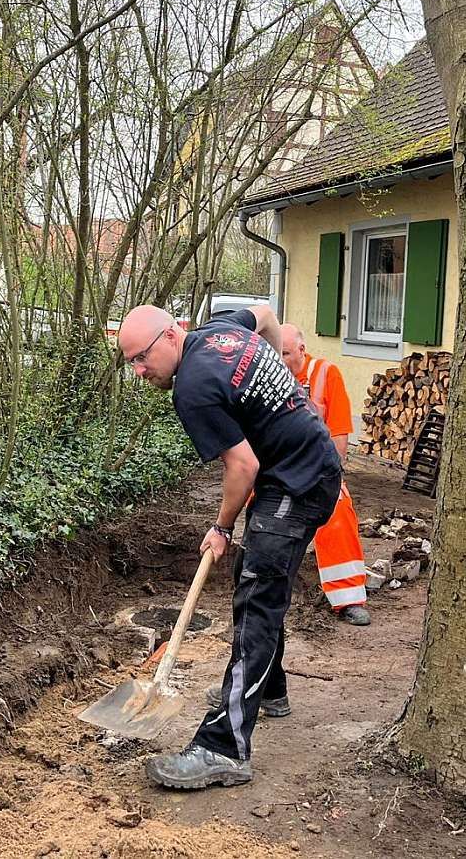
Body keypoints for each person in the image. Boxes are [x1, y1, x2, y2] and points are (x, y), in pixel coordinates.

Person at [118, 303, 340, 790]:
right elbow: (263, 312)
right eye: (130, 362)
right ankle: (273, 691)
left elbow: (242, 467)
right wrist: (283, 364)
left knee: (257, 598)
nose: (138, 371)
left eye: (141, 358)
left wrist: (220, 528)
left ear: (172, 335)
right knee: (256, 580)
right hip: (307, 466)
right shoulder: (220, 330)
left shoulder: (193, 390)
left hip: (297, 483)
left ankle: (225, 748)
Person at [279, 323, 370, 625]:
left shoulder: (326, 374)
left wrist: (330, 476)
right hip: (279, 470)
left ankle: (348, 598)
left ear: (301, 350)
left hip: (319, 470)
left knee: (338, 510)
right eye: (276, 353)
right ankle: (264, 589)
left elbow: (340, 434)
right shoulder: (268, 377)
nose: (281, 359)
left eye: (286, 353)